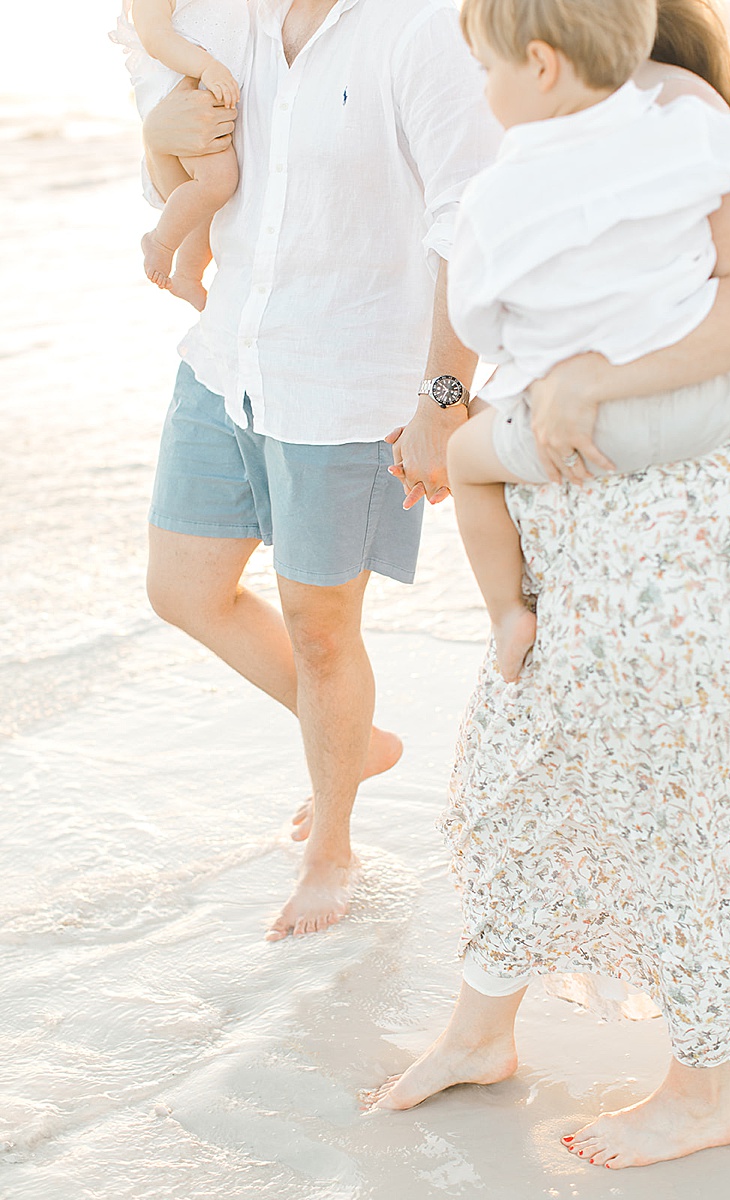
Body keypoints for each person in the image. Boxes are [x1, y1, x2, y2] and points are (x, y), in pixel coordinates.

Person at [362, 0, 730, 1173]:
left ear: (545, 58)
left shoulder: (676, 123)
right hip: (573, 524)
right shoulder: (547, 145)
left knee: (689, 796)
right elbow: (476, 321)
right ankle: (479, 1031)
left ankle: (704, 1089)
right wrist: (461, 405)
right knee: (521, 771)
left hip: (682, 530)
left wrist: (596, 380)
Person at [138, 0, 501, 940]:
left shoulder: (421, 29)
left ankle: (332, 842)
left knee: (323, 632)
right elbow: (185, 185)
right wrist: (154, 138)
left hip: (349, 385)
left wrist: (443, 397)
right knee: (182, 587)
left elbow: (472, 221)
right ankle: (356, 742)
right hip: (228, 362)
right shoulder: (223, 19)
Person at [443, 0, 730, 682]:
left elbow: (478, 323)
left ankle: (508, 615)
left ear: (542, 64)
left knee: (465, 460)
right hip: (707, 402)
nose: (483, 91)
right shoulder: (689, 129)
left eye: (487, 70)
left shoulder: (494, 193)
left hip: (575, 441)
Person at [110, 0, 249, 309]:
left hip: (214, 86)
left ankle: (188, 273)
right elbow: (155, 37)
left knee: (212, 201)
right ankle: (160, 241)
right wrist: (206, 67)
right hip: (182, 88)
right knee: (217, 180)